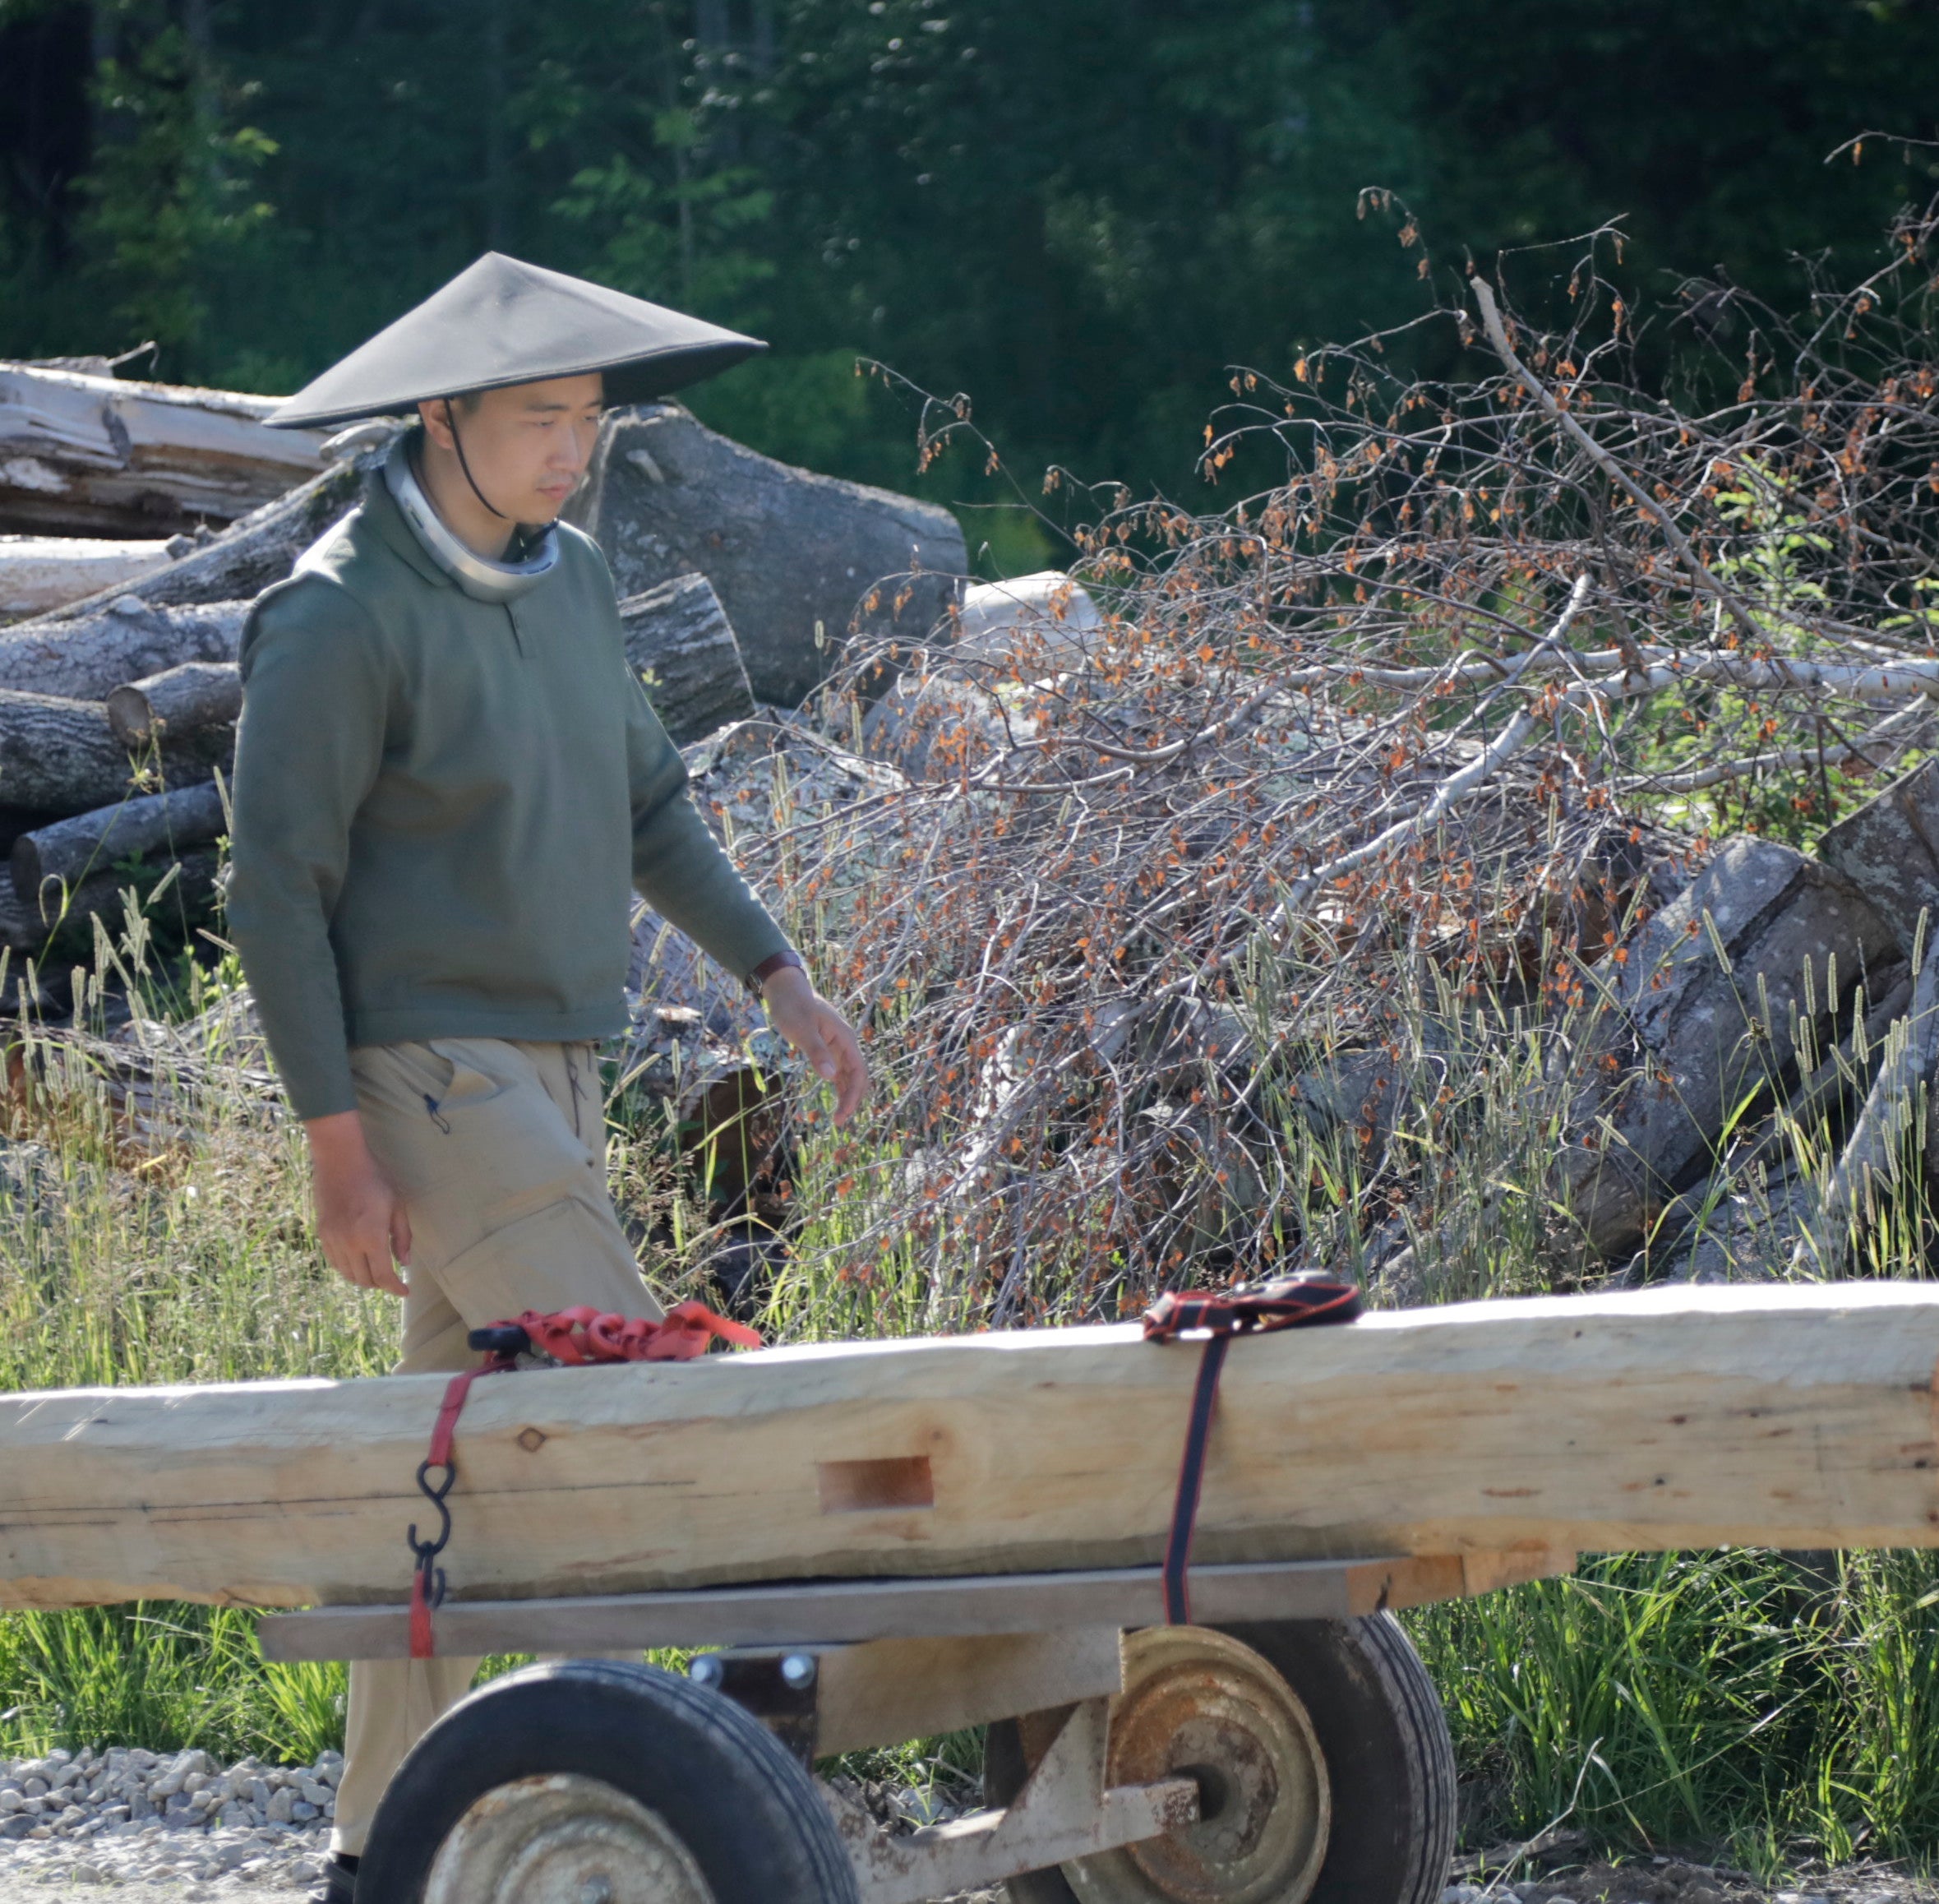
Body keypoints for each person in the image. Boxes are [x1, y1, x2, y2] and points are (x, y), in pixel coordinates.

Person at [231, 253, 870, 1904]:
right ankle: (726, 1766)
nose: (572, 451)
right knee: (630, 1406)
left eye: (587, 418)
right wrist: (335, 1145)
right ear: (441, 416)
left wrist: (777, 973)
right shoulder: (336, 611)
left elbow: (649, 805)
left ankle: (374, 1854)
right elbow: (275, 891)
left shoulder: (572, 578)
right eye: (538, 420)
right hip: (423, 1075)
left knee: (445, 1473)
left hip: (555, 1069)